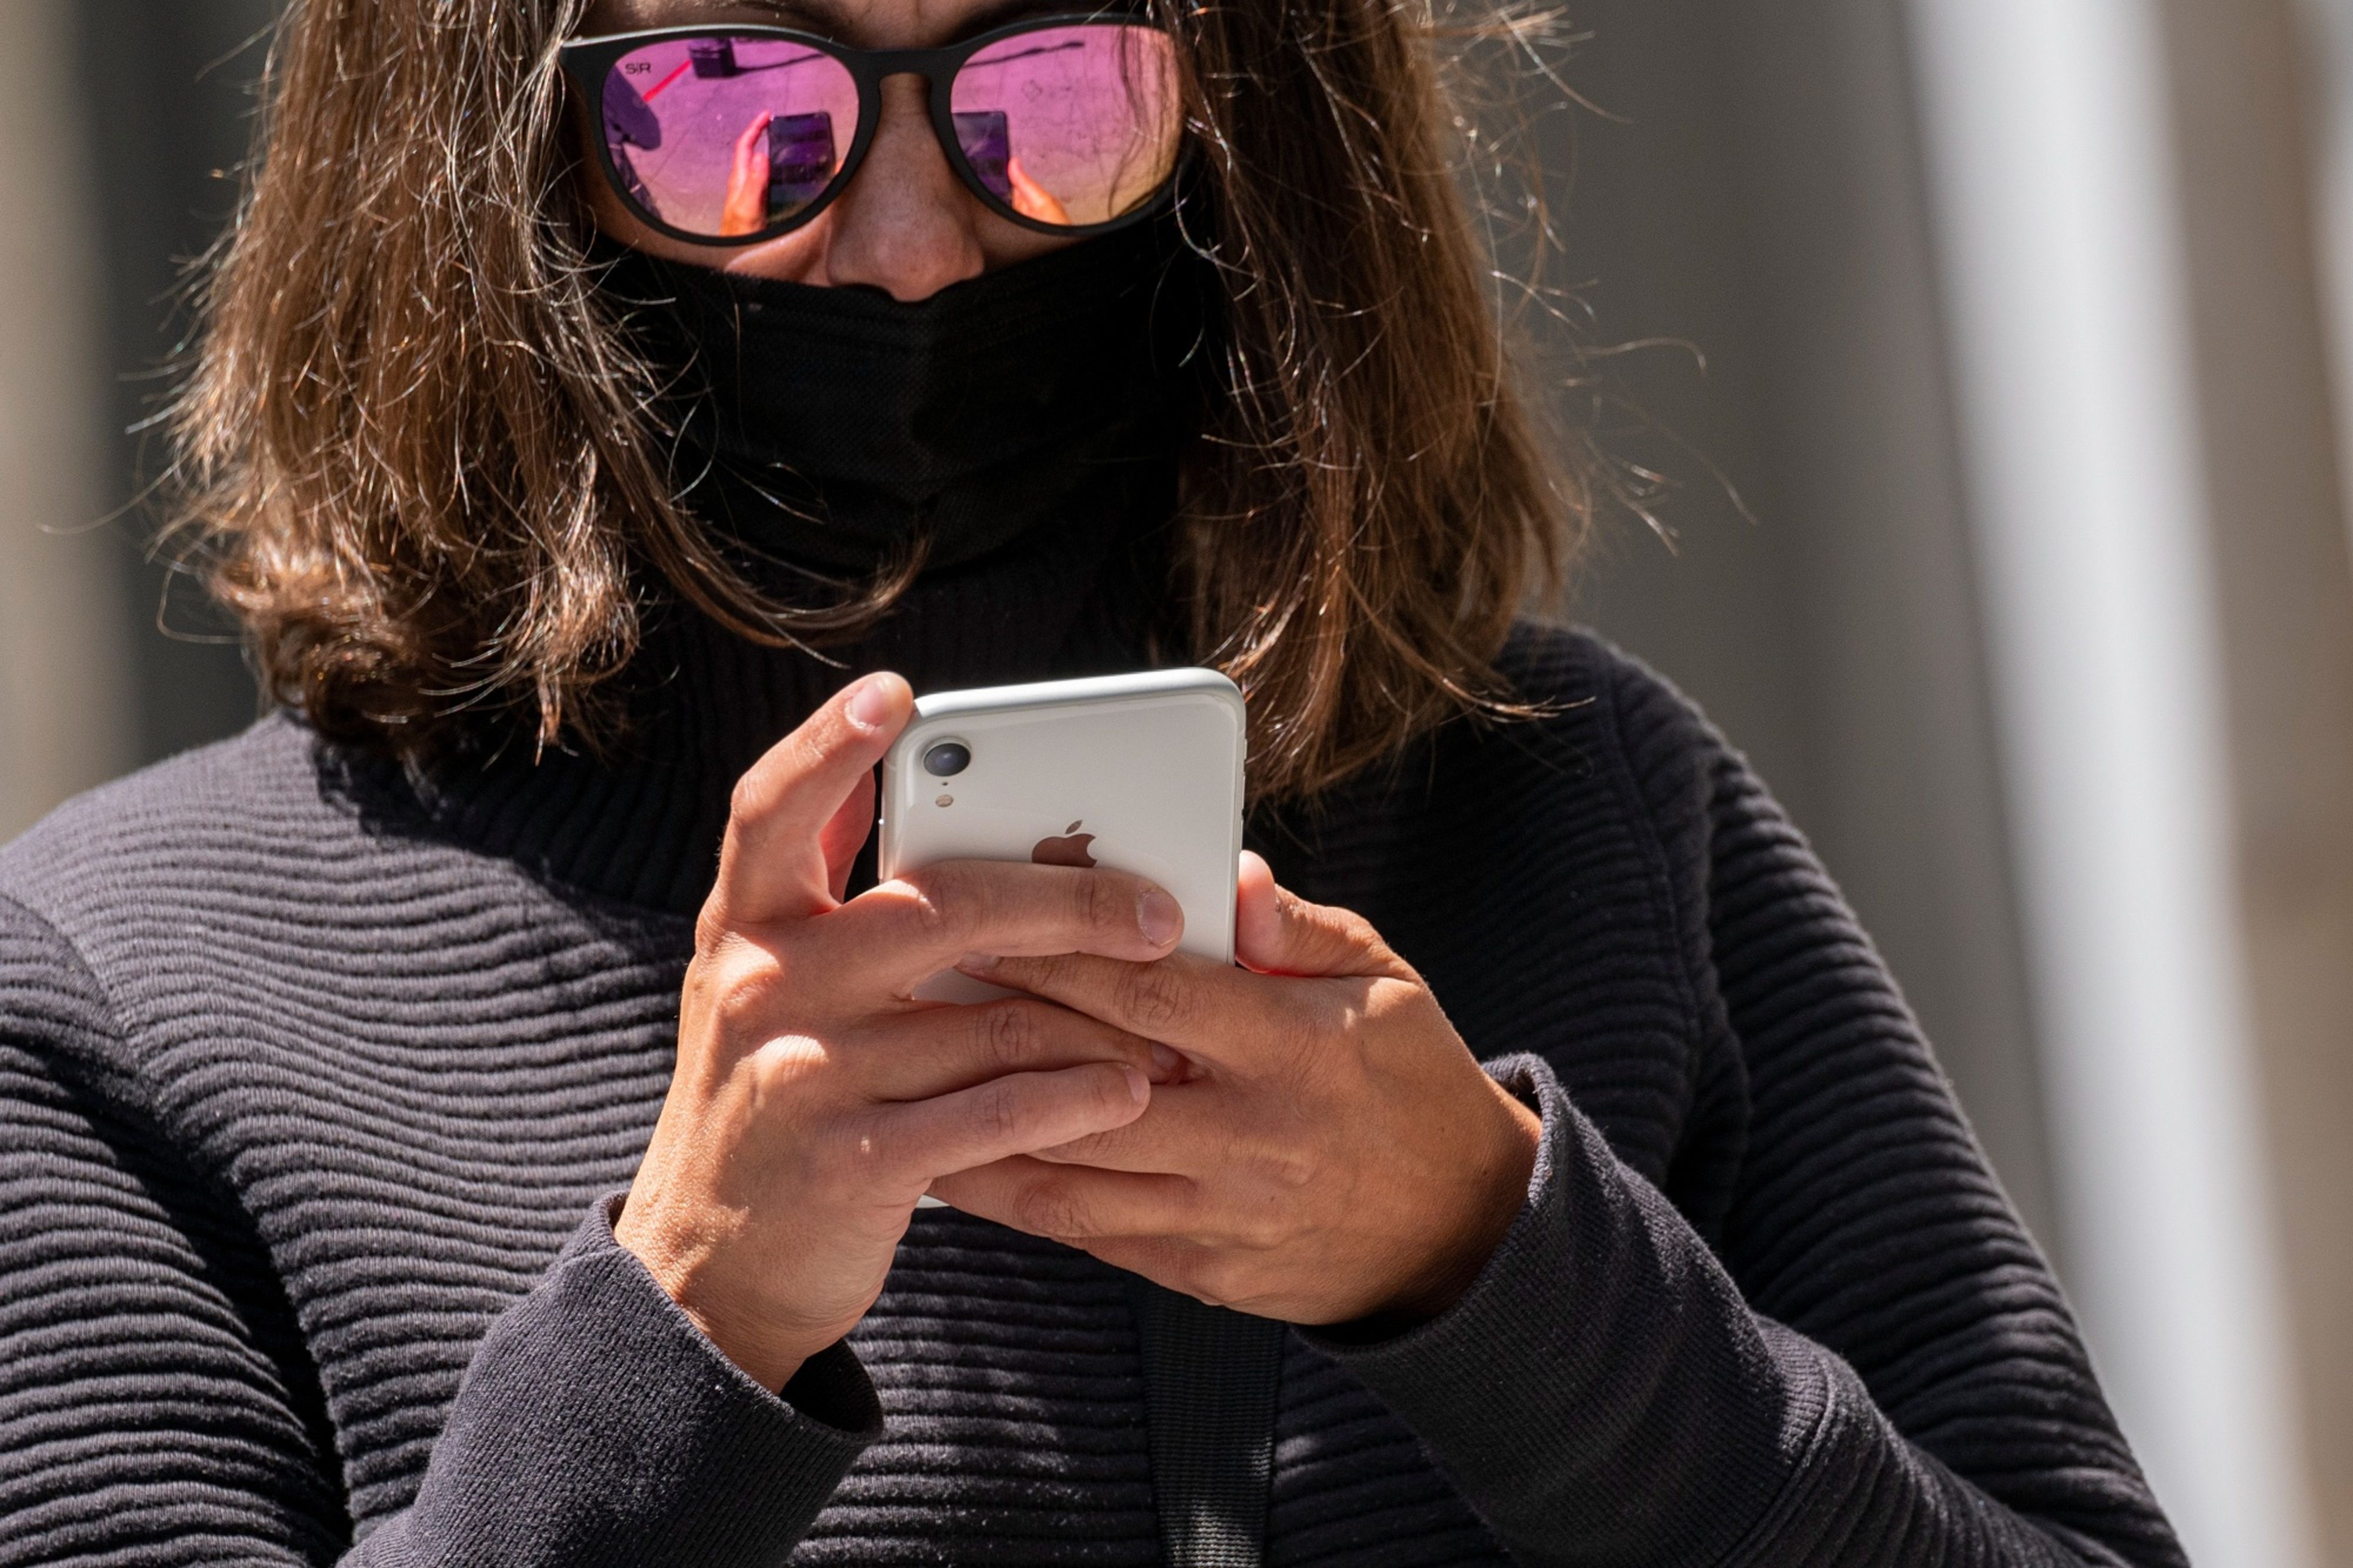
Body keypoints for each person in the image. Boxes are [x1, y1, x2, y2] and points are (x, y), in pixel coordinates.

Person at [0, 0, 2188, 1564]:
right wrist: (683, 1335)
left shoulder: (1577, 805)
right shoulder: (121, 997)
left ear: (1246, 119)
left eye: (1055, 86)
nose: (914, 246)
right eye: (733, 104)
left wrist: (1501, 1273)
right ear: (486, 155)